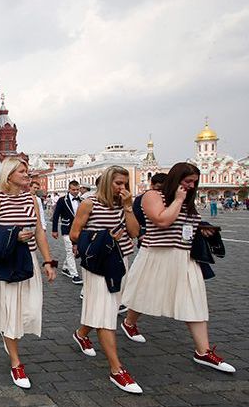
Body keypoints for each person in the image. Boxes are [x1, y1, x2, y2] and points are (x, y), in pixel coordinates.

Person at [121, 162, 235, 373]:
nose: (191, 186)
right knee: (143, 294)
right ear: (176, 178)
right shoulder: (152, 196)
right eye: (187, 181)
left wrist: (204, 229)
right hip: (157, 254)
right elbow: (162, 220)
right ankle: (129, 322)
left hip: (184, 257)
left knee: (194, 300)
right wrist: (179, 199)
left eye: (194, 182)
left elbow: (186, 225)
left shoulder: (188, 202)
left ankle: (203, 351)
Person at [0, 157, 57, 389]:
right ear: (9, 175)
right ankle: (16, 362)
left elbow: (40, 232)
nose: (27, 174)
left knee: (30, 311)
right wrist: (12, 234)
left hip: (28, 261)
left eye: (27, 170)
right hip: (7, 263)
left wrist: (48, 262)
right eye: (22, 171)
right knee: (12, 312)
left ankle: (8, 334)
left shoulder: (31, 198)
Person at [69, 166, 143, 393]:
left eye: (125, 183)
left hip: (121, 261)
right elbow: (74, 233)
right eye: (118, 183)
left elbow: (135, 233)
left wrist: (129, 208)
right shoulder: (89, 203)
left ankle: (81, 334)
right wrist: (103, 237)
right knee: (105, 313)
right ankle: (116, 369)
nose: (122, 188)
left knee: (107, 308)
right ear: (107, 183)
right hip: (98, 263)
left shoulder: (124, 205)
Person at [51, 180, 83, 284]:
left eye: (77, 189)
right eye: (73, 190)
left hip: (79, 230)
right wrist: (54, 230)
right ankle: (74, 275)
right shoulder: (62, 200)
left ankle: (65, 267)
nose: (75, 192)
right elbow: (56, 215)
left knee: (74, 251)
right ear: (69, 189)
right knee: (70, 250)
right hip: (67, 228)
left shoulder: (81, 200)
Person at [132, 173, 167, 247]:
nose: (160, 192)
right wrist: (141, 235)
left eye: (164, 189)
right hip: (146, 236)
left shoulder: (169, 199)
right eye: (158, 188)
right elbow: (135, 218)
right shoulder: (140, 199)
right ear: (152, 185)